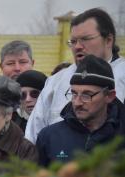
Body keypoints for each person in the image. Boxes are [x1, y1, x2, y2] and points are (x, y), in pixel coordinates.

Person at [26, 8, 125, 144]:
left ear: (108, 40)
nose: (77, 47)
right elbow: (33, 134)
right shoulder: (56, 81)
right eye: (73, 41)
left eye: (85, 39)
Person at [37, 55, 125, 166]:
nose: (77, 102)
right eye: (74, 94)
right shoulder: (49, 136)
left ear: (109, 96)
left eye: (87, 95)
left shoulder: (121, 136)